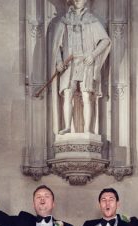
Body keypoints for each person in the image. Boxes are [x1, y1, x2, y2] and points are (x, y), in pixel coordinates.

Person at [51, 0, 111, 135]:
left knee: (86, 95)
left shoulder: (91, 20)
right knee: (67, 94)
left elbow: (105, 40)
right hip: (69, 64)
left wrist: (93, 55)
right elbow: (57, 45)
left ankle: (88, 130)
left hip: (85, 63)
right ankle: (67, 127)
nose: (79, 0)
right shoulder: (65, 21)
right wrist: (59, 61)